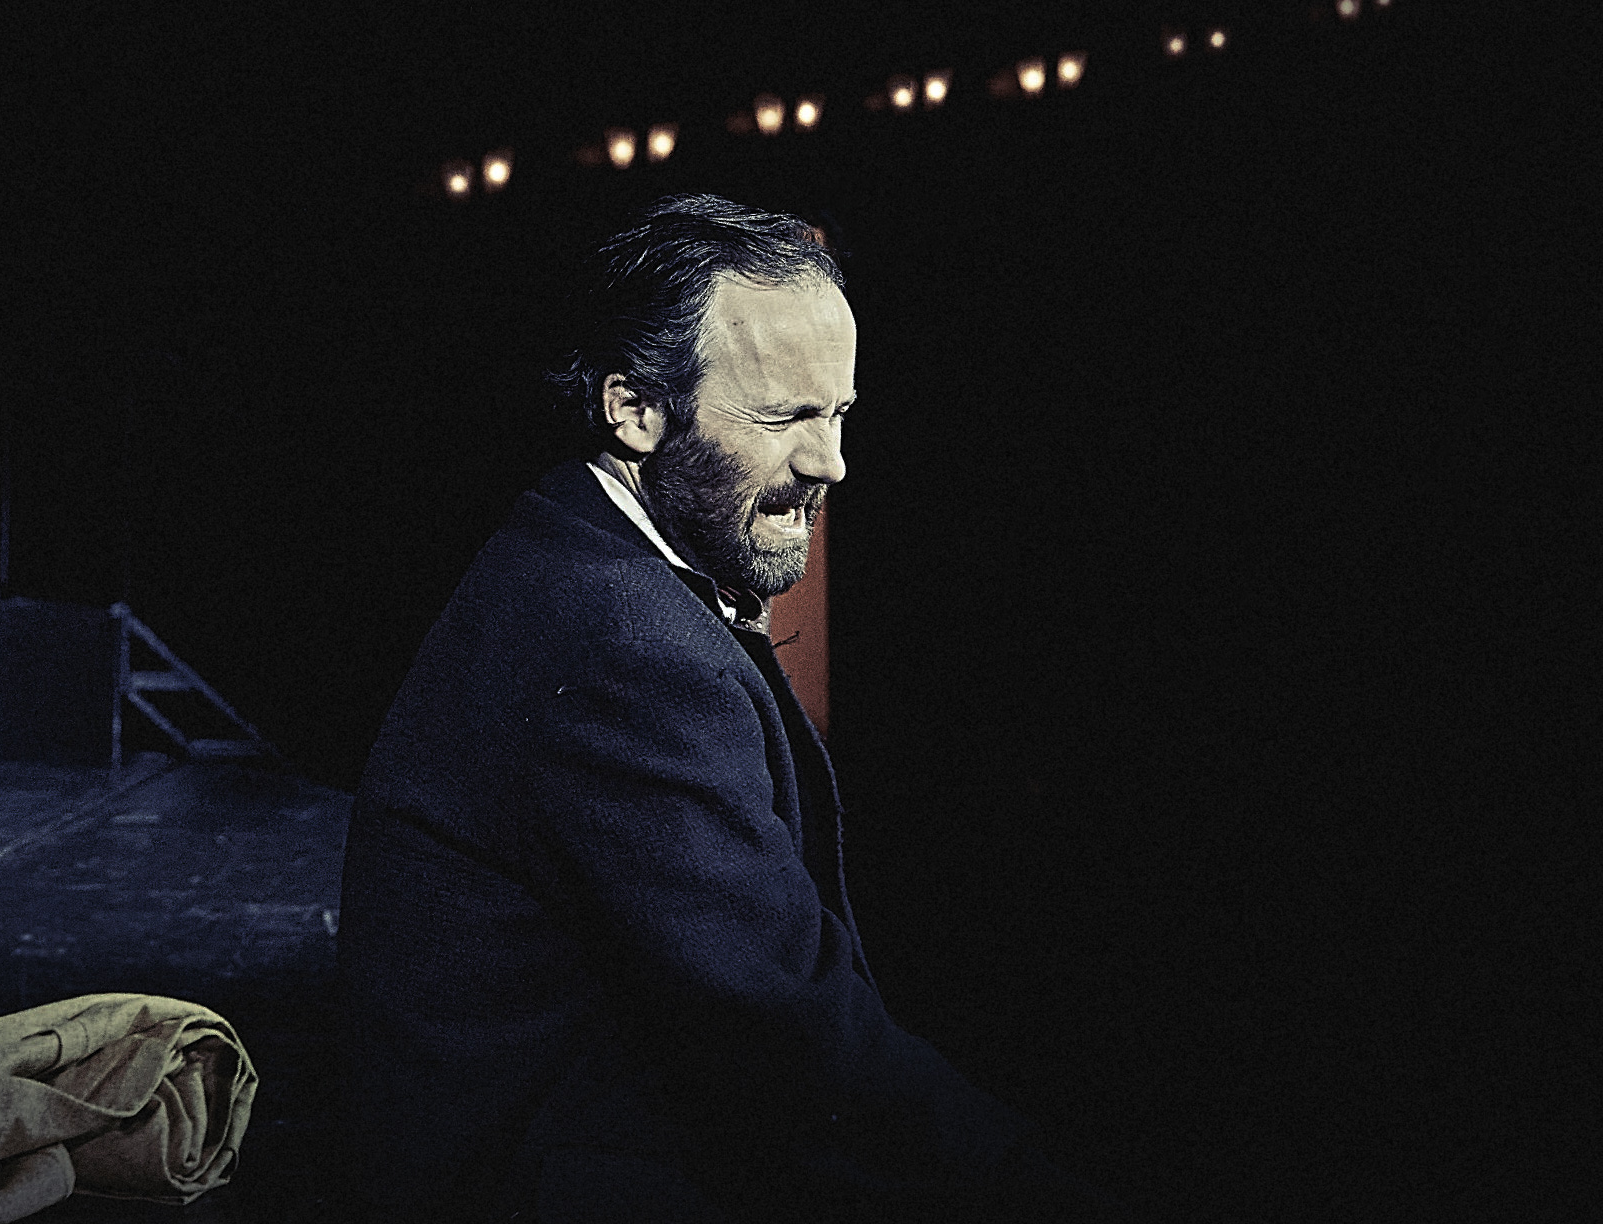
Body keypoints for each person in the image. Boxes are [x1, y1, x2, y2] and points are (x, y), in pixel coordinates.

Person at [337, 194, 1123, 1221]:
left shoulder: (569, 543)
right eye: (786, 418)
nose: (830, 462)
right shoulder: (625, 641)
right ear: (634, 410)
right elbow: (781, 1027)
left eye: (838, 413)